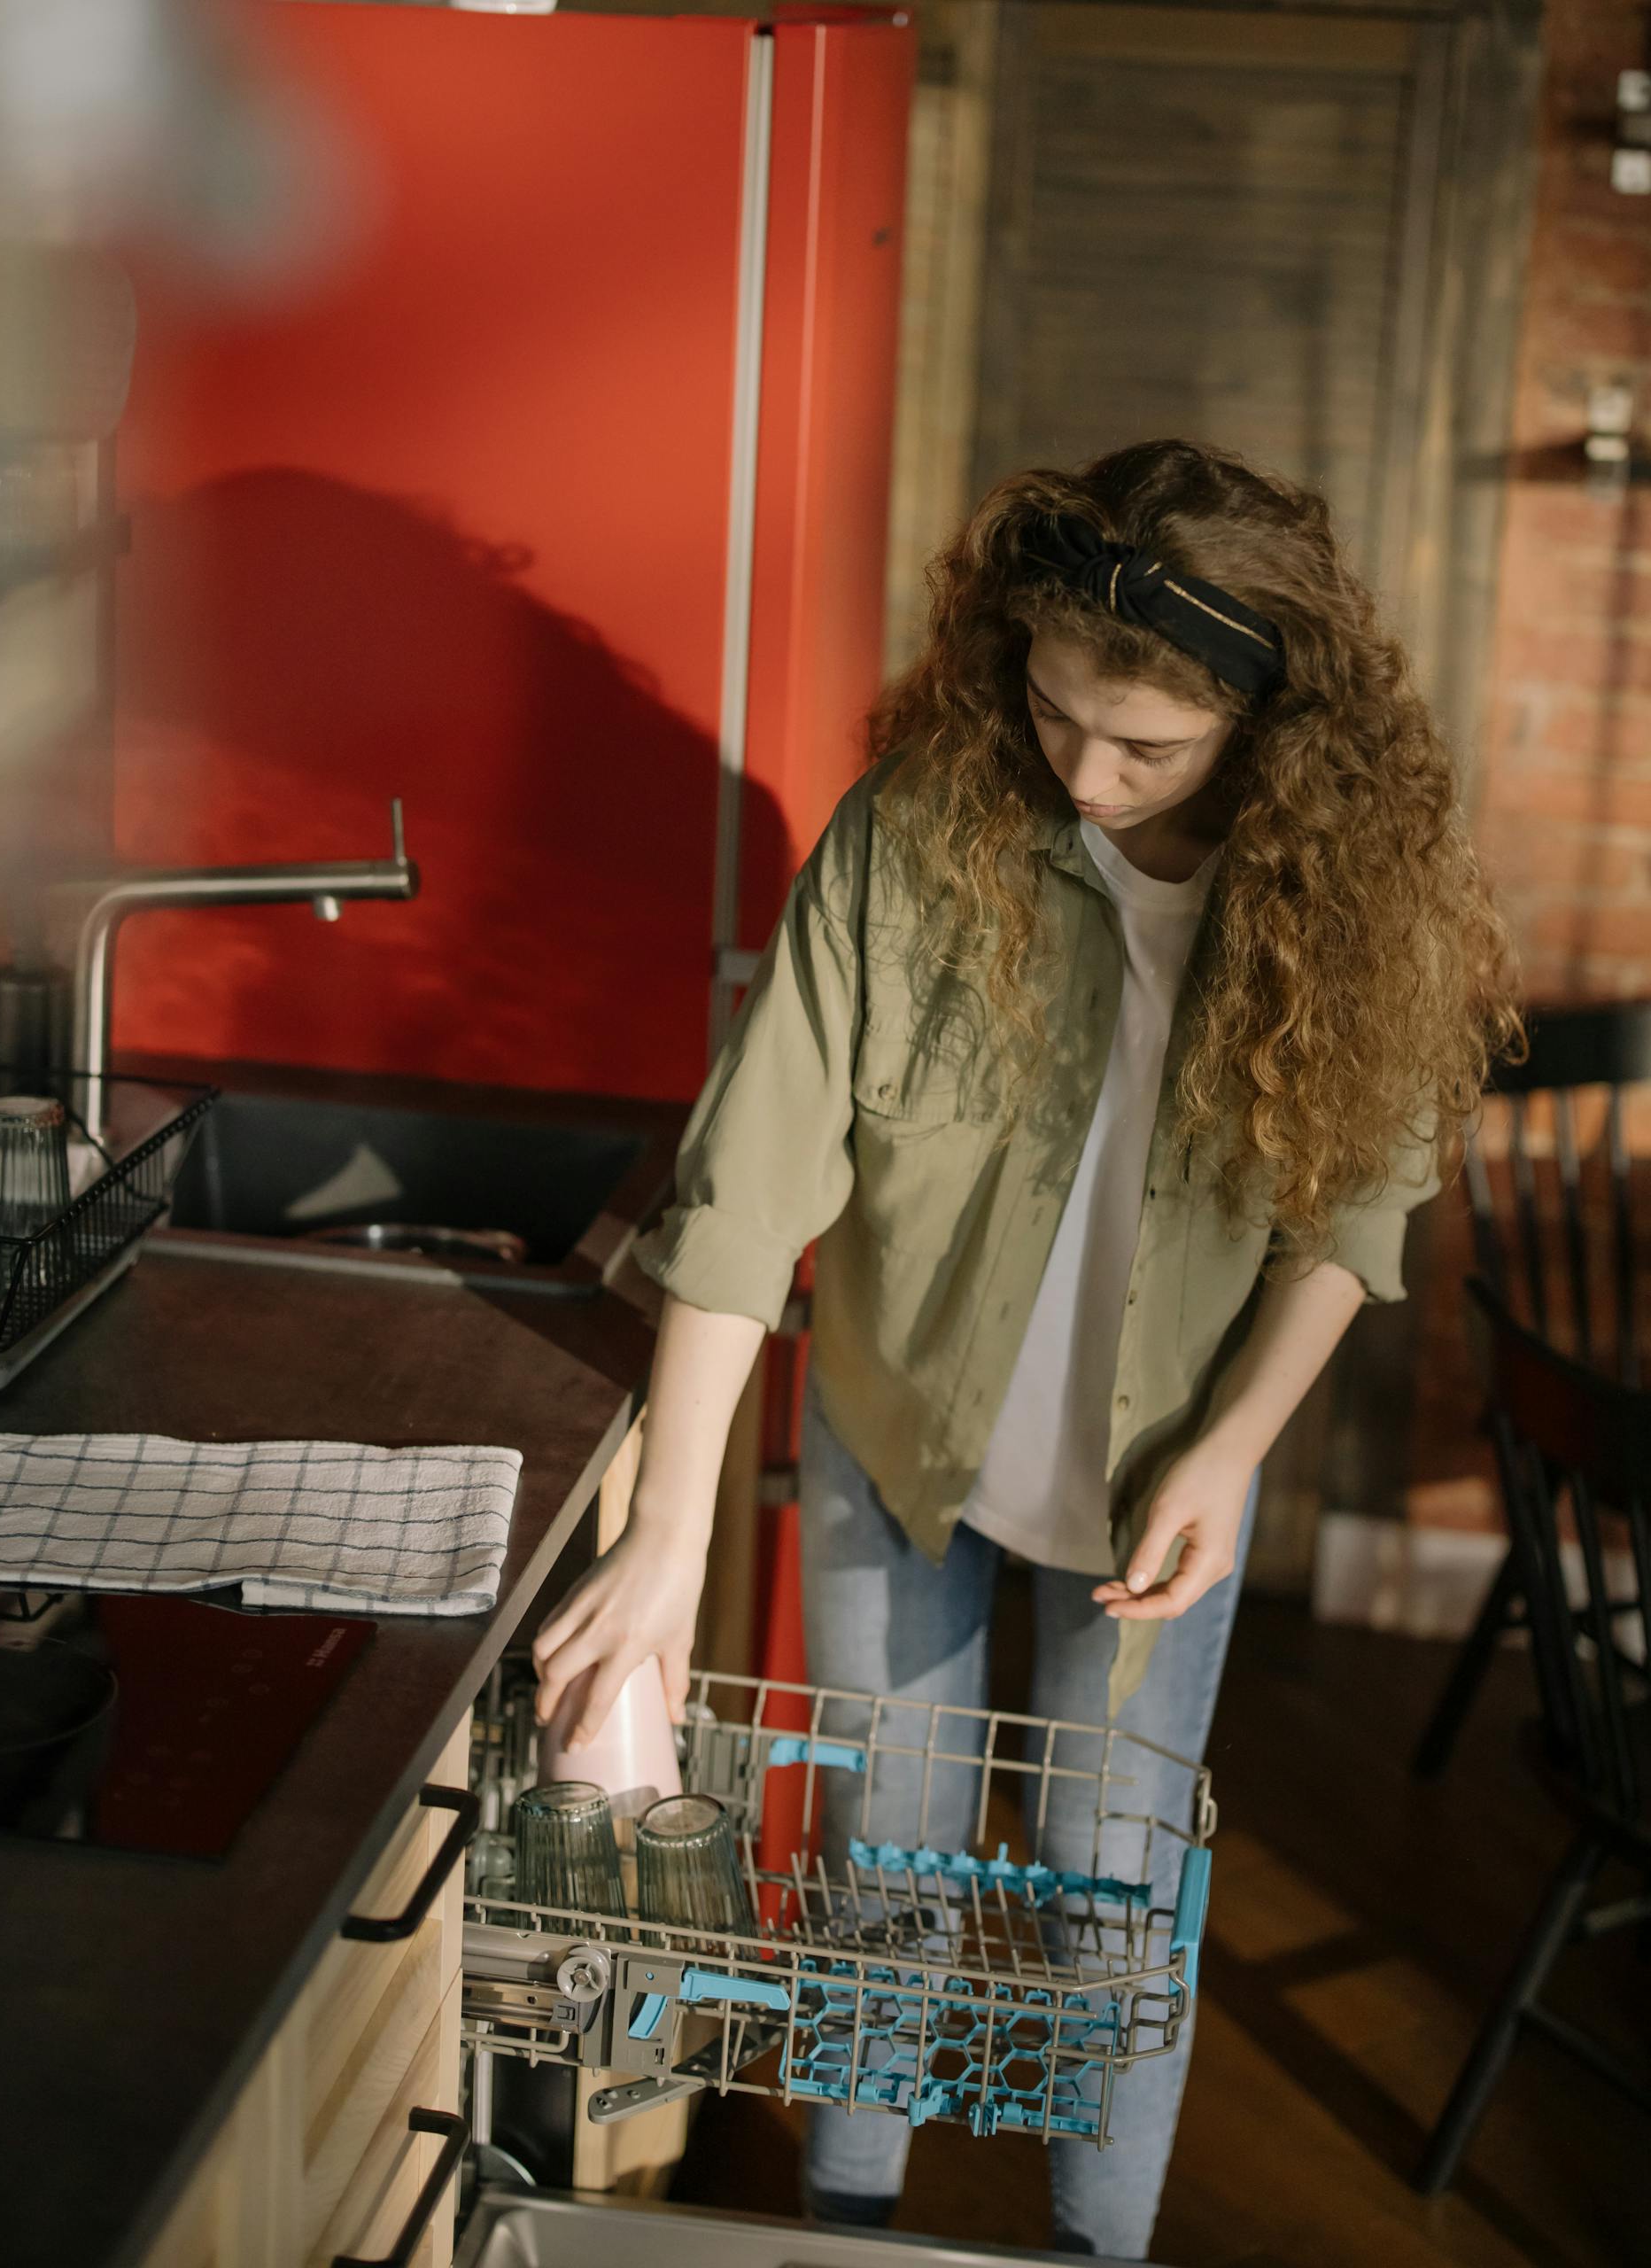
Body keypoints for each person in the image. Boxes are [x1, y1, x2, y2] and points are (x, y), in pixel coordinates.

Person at [532, 439, 1520, 2257]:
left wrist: (1232, 1449)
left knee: (1112, 1896)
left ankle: (1095, 2243)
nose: (1087, 773)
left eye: (1149, 747)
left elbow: (1358, 1212)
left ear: (1270, 726)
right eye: (1060, 715)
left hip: (1164, 1475)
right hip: (899, 1434)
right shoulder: (921, 829)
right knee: (882, 1857)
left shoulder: (1348, 896)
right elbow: (747, 1201)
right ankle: (850, 2221)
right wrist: (669, 1536)